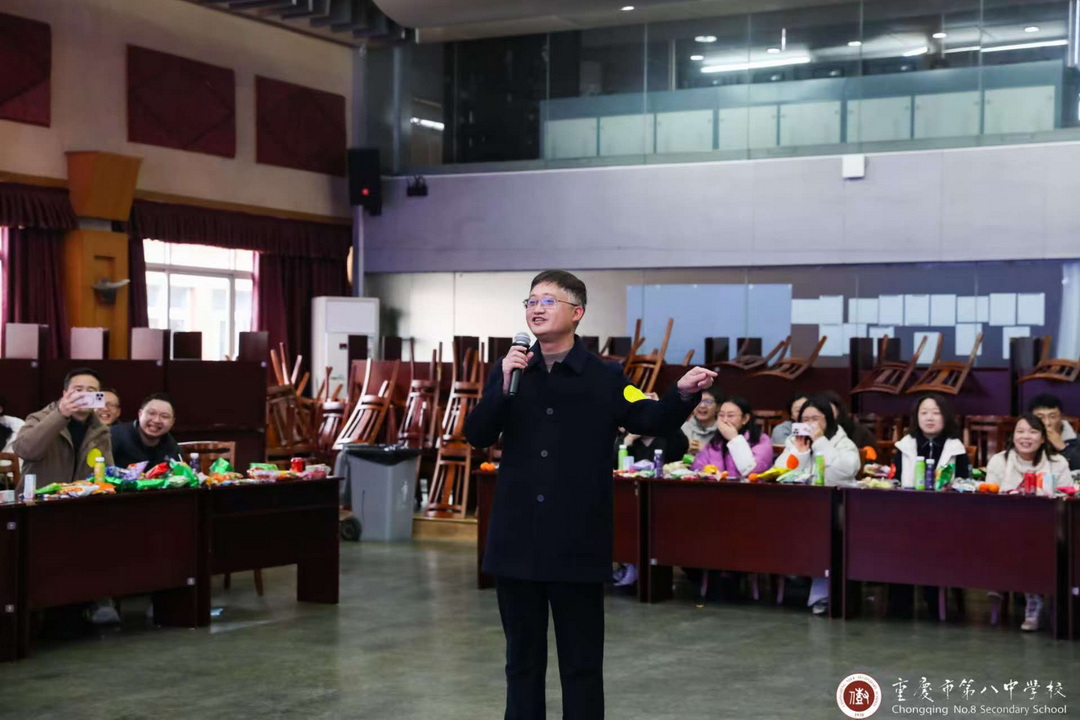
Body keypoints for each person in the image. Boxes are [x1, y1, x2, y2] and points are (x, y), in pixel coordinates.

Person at [464, 270, 715, 719]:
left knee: (581, 665)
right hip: (517, 539)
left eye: (548, 300)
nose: (536, 308)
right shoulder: (510, 370)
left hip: (577, 539)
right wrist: (502, 384)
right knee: (521, 663)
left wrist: (680, 393)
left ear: (577, 312)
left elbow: (650, 418)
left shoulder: (606, 376)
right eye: (531, 300)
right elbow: (478, 433)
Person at [774, 396, 860, 615]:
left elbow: (844, 471)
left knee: (822, 529)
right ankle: (794, 580)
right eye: (805, 419)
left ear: (827, 419)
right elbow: (781, 472)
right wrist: (800, 453)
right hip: (801, 504)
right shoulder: (794, 441)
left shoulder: (842, 442)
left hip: (834, 506)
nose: (810, 423)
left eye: (815, 418)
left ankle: (821, 595)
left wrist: (820, 442)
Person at [985, 414, 1070, 631]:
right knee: (1012, 537)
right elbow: (989, 500)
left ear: (1043, 439)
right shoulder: (999, 461)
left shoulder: (1058, 463)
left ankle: (1026, 598)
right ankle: (1027, 597)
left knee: (1031, 539)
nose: (1026, 437)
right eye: (1020, 432)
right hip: (1006, 527)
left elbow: (1067, 499)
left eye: (1033, 432)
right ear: (1013, 436)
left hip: (1048, 529)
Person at [13, 368, 113, 490]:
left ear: (99, 397)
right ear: (65, 394)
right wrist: (61, 414)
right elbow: (24, 451)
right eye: (78, 390)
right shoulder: (40, 418)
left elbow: (107, 471)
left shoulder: (100, 430)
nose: (84, 395)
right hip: (40, 498)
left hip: (82, 499)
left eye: (91, 391)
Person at [893, 394, 970, 487]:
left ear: (946, 417)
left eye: (936, 413)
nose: (929, 418)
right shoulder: (906, 445)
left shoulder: (955, 447)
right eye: (924, 413)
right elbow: (895, 481)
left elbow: (964, 482)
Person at [690, 396, 773, 479]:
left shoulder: (761, 440)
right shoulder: (715, 442)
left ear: (745, 419)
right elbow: (697, 469)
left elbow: (753, 472)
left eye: (730, 415)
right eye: (721, 415)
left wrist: (734, 439)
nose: (725, 420)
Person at [111, 393, 182, 469]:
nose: (156, 420)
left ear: (172, 422)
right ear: (140, 414)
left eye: (164, 416)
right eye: (151, 413)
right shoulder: (114, 435)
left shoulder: (172, 447)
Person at [1027, 393, 1080, 470]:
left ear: (1061, 417)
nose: (1047, 423)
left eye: (1052, 417)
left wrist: (1063, 448)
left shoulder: (1076, 441)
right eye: (1040, 417)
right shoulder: (1022, 439)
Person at [681, 387, 720, 454]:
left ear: (718, 407)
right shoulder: (682, 429)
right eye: (698, 401)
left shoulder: (722, 431)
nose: (702, 405)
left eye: (708, 401)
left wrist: (705, 450)